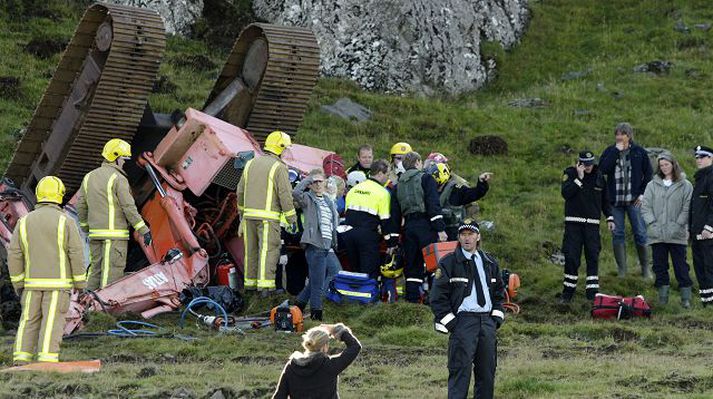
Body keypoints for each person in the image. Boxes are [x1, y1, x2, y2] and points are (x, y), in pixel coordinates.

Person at [8, 176, 86, 364]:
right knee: (52, 322)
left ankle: (21, 360)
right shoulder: (65, 222)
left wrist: (18, 283)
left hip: (31, 286)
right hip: (58, 286)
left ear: (38, 195)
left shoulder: (24, 222)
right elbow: (76, 253)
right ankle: (47, 361)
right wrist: (80, 282)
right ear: (59, 195)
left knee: (28, 321)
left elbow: (15, 255)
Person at [430, 219, 505, 399]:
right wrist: (453, 324)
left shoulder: (490, 262)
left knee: (487, 374)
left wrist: (496, 319)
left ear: (478, 237)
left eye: (471, 234)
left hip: (487, 323)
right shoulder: (449, 263)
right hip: (463, 323)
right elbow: (436, 297)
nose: (467, 238)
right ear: (458, 237)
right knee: (460, 373)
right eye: (463, 234)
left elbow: (499, 293)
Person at [77, 139, 152, 290]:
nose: (124, 163)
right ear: (115, 157)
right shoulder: (118, 179)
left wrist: (86, 227)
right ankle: (103, 309)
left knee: (94, 271)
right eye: (123, 159)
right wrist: (143, 230)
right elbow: (128, 207)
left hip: (95, 234)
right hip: (115, 235)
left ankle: (86, 303)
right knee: (111, 274)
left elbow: (81, 206)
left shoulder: (89, 177)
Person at [237, 131, 298, 294]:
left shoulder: (250, 164)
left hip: (249, 217)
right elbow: (285, 195)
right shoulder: (279, 167)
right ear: (280, 148)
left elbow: (240, 191)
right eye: (286, 149)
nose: (287, 152)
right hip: (268, 218)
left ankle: (249, 286)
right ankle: (265, 289)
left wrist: (242, 215)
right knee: (268, 251)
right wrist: (292, 218)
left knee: (251, 252)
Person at [559, 151, 615, 303]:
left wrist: (609, 218)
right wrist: (579, 178)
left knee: (593, 256)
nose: (588, 167)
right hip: (573, 224)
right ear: (579, 163)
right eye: (585, 164)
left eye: (590, 164)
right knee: (571, 257)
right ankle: (568, 293)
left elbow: (605, 200)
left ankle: (592, 293)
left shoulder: (599, 176)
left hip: (592, 225)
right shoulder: (570, 174)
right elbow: (566, 193)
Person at [599, 122, 653, 278]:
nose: (618, 137)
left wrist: (642, 194)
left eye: (621, 134)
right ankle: (622, 271)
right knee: (618, 233)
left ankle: (645, 269)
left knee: (641, 233)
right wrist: (616, 151)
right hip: (615, 201)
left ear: (628, 136)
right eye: (616, 134)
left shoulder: (639, 152)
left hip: (634, 200)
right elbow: (603, 169)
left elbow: (648, 174)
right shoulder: (610, 151)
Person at [641, 152, 693, 307]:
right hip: (657, 234)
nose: (664, 168)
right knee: (659, 266)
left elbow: (687, 208)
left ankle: (686, 300)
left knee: (681, 267)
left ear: (673, 164)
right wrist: (653, 224)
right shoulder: (652, 185)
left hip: (677, 234)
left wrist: (677, 226)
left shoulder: (685, 185)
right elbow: (646, 207)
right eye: (661, 165)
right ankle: (663, 300)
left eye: (667, 164)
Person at [397, 152, 447, 303]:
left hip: (408, 228)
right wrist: (440, 229)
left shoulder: (399, 183)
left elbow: (395, 211)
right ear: (418, 162)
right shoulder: (426, 178)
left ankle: (412, 302)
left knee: (412, 265)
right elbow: (433, 204)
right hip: (426, 225)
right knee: (433, 264)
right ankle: (435, 299)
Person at [292, 169, 339, 321]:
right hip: (315, 245)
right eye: (315, 182)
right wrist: (308, 179)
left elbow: (333, 221)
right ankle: (316, 316)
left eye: (320, 181)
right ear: (310, 185)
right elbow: (296, 192)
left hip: (326, 245)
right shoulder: (307, 199)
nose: (318, 184)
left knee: (315, 281)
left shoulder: (328, 200)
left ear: (325, 182)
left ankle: (297, 306)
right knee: (318, 284)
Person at [272, 323, 361, 399]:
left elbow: (279, 397)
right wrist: (337, 329)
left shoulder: (291, 367)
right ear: (324, 346)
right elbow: (355, 346)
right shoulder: (330, 366)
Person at [342, 160, 396, 278]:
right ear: (380, 174)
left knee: (354, 272)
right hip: (367, 236)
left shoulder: (354, 189)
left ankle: (353, 296)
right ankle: (367, 295)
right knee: (368, 273)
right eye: (387, 175)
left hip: (348, 235)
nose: (388, 179)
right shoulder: (382, 193)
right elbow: (385, 221)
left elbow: (347, 213)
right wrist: (390, 243)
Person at [430, 162, 492, 240]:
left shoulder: (456, 190)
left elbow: (474, 193)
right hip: (437, 231)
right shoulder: (430, 191)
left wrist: (482, 183)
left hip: (454, 231)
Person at [690, 145, 713, 306]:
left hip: (708, 233)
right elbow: (694, 208)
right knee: (699, 267)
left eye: (702, 157)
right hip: (696, 232)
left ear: (710, 158)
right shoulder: (700, 178)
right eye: (697, 157)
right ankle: (706, 302)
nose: (698, 160)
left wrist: (709, 227)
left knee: (709, 266)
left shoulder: (711, 177)